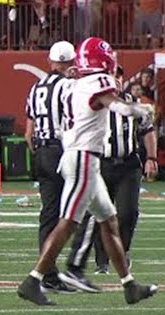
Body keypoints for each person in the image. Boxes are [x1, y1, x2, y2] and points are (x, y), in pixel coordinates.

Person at [17, 36, 158, 306]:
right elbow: (114, 104)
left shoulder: (76, 83)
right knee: (69, 221)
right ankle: (33, 280)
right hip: (83, 158)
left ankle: (129, 285)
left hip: (81, 158)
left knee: (109, 220)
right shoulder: (97, 82)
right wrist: (141, 110)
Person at [63, 64, 158, 279]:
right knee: (97, 214)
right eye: (110, 75)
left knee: (128, 213)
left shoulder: (131, 102)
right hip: (101, 162)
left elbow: (148, 130)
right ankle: (101, 261)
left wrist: (151, 157)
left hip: (128, 163)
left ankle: (121, 253)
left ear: (123, 79)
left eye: (117, 76)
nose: (113, 80)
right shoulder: (94, 100)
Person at [24, 41, 79, 294]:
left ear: (50, 61)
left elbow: (28, 132)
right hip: (62, 150)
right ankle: (70, 268)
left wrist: (41, 152)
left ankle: (48, 272)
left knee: (50, 214)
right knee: (76, 210)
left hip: (42, 151)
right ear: (70, 63)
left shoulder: (36, 87)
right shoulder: (68, 85)